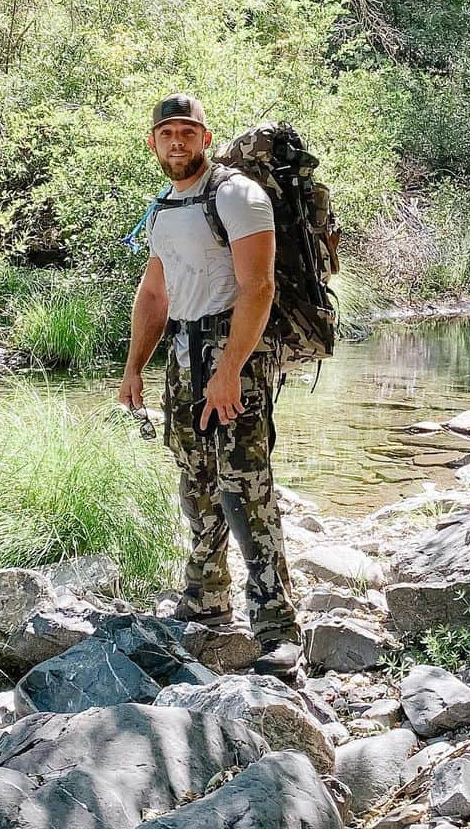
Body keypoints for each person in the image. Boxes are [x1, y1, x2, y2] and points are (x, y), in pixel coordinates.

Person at [118, 93, 302, 678]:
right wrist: (133, 368)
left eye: (187, 132)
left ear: (205, 137)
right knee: (196, 479)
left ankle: (277, 624)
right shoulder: (164, 208)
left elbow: (259, 289)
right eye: (166, 132)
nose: (177, 141)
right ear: (153, 143)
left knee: (245, 485)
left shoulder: (237, 196)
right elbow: (155, 294)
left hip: (233, 354)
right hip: (180, 355)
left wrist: (229, 371)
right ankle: (205, 600)